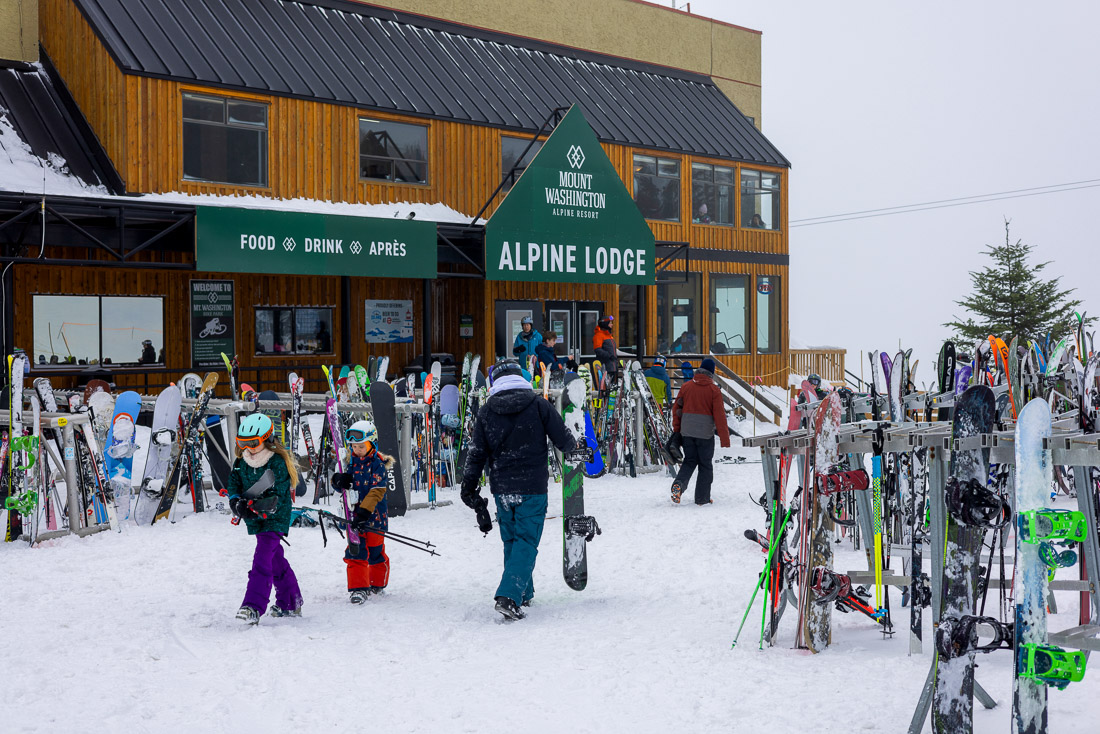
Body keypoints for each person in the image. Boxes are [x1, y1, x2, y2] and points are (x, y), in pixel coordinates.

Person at [460, 360, 575, 620]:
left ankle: (523, 592)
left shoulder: (487, 411)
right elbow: (562, 438)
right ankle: (509, 597)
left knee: (512, 541)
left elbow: (476, 453)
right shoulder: (538, 405)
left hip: (502, 489)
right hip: (532, 487)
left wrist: (468, 487)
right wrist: (575, 448)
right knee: (526, 541)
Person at [228, 414, 302, 624]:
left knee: (262, 559)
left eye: (253, 443)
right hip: (255, 518)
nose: (248, 448)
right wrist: (235, 501)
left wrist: (255, 508)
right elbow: (233, 482)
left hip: (275, 516)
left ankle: (253, 606)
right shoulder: (242, 461)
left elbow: (277, 495)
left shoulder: (276, 462)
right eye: (243, 443)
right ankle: (291, 601)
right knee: (275, 559)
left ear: (267, 439)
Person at [331, 420, 391, 603]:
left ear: (372, 444)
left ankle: (376, 583)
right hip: (353, 517)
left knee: (375, 552)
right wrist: (338, 480)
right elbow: (341, 486)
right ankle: (359, 588)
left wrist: (364, 513)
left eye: (361, 446)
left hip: (374, 518)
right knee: (355, 551)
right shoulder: (349, 463)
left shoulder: (378, 465)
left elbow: (376, 491)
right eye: (354, 446)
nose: (356, 450)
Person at [669, 357, 730, 505]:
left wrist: (677, 430)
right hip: (705, 435)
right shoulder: (714, 390)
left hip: (687, 433)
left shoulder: (686, 387)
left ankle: (678, 485)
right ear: (711, 373)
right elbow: (720, 416)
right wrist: (724, 438)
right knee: (705, 465)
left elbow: (676, 410)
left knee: (689, 461)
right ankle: (702, 498)